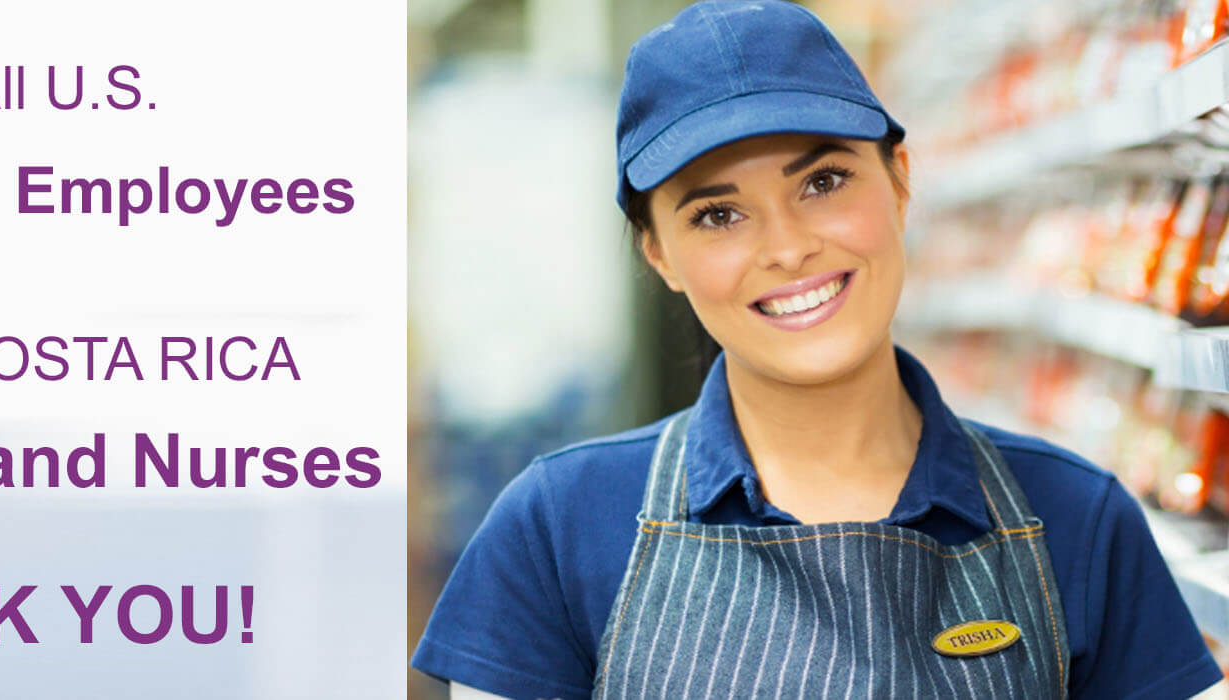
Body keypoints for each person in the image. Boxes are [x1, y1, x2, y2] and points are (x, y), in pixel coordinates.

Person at [410, 1, 1227, 698]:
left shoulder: (1077, 520)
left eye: (823, 182)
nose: (788, 246)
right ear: (658, 253)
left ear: (900, 179)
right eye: (717, 215)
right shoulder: (558, 527)